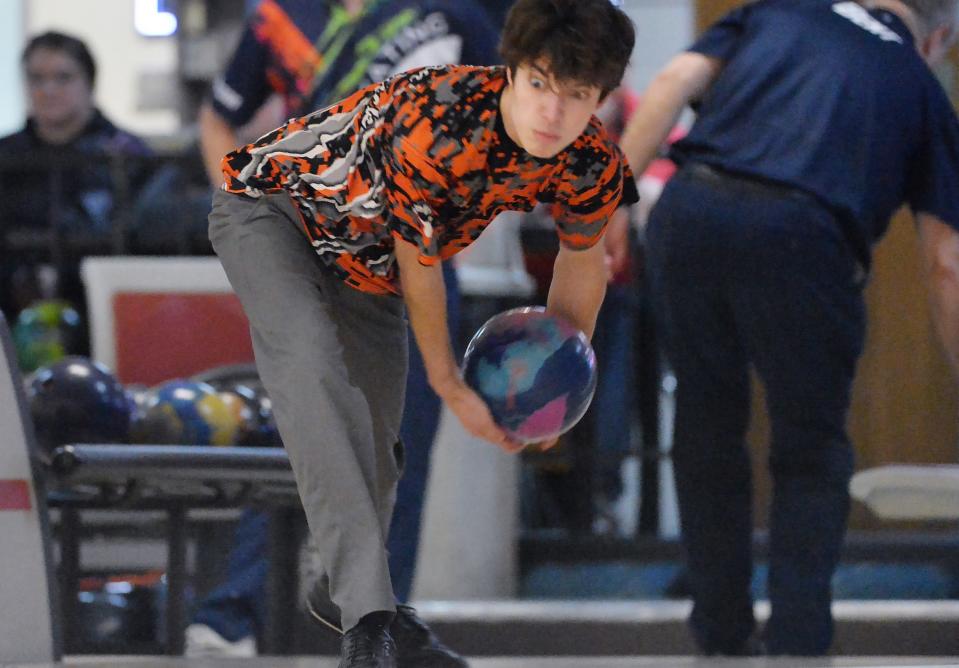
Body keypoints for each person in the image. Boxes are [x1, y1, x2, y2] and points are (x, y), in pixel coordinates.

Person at [207, 0, 637, 665]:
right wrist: (448, 381)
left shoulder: (589, 161)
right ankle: (267, 618)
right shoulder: (443, 116)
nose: (552, 113)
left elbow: (580, 265)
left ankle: (365, 613)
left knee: (389, 439)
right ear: (509, 71)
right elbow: (420, 264)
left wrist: (558, 384)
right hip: (274, 215)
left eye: (576, 96)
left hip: (368, 257)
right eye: (539, 86)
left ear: (601, 100)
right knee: (318, 383)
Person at [619, 0, 959, 656]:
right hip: (802, 238)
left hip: (691, 211)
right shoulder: (921, 88)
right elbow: (945, 262)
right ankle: (797, 644)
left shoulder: (776, 12)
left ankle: (720, 636)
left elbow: (668, 85)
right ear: (937, 37)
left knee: (705, 428)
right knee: (809, 450)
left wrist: (601, 211)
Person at [185, 0, 499, 660]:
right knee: (302, 440)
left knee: (398, 455)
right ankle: (231, 613)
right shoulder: (281, 15)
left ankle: (383, 635)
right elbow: (218, 116)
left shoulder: (450, 14)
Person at [0, 31, 151, 330]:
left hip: (107, 318)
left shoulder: (129, 157)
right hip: (13, 318)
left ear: (89, 83)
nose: (48, 90)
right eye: (36, 79)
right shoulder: (6, 157)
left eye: (63, 77)